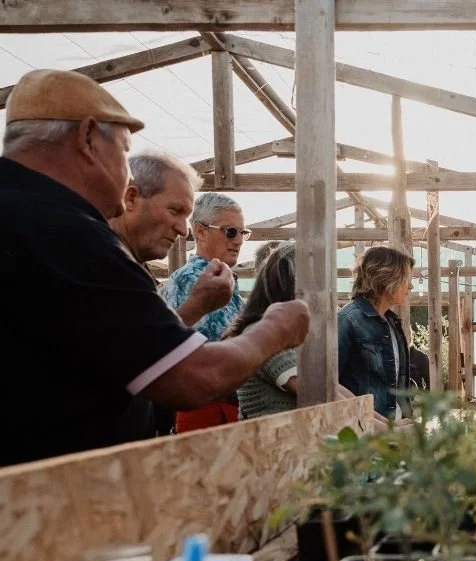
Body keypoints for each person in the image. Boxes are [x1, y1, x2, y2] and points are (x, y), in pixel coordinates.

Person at [0, 69, 309, 467]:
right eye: (124, 150)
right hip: (48, 494)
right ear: (88, 137)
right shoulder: (68, 234)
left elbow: (118, 349)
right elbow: (190, 378)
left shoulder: (26, 219)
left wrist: (195, 308)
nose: (182, 229)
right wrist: (274, 329)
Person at [226, 244, 362, 420]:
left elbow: (333, 388)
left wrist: (384, 423)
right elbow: (324, 395)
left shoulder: (290, 334)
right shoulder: (268, 336)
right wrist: (381, 428)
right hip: (275, 436)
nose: (325, 293)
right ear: (294, 289)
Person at [110, 151, 235, 327]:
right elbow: (137, 343)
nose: (183, 231)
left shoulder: (130, 271)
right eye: (175, 211)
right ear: (131, 199)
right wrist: (196, 306)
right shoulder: (98, 267)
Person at [160, 191, 250, 432]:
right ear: (200, 231)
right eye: (230, 231)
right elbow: (213, 356)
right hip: (207, 410)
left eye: (243, 233)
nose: (239, 240)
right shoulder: (195, 278)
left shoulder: (219, 276)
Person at [338, 246, 414, 419]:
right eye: (406, 278)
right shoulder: (347, 320)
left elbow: (398, 387)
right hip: (365, 430)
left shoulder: (392, 322)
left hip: (395, 428)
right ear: (387, 278)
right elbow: (329, 386)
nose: (410, 286)